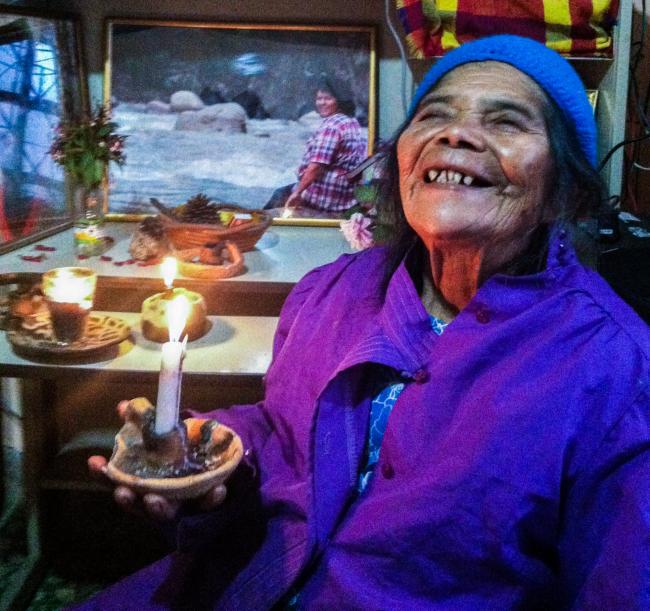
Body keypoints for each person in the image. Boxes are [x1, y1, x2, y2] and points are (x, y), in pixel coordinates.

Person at [81, 35, 650, 610]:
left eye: (506, 122)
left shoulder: (616, 369)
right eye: (434, 114)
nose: (454, 134)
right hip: (240, 582)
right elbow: (279, 433)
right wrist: (209, 457)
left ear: (564, 194)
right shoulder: (331, 290)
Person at [264, 78, 366, 214]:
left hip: (325, 195)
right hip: (344, 193)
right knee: (282, 192)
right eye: (319, 98)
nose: (321, 103)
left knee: (278, 197)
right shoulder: (352, 122)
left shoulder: (332, 126)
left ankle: (255, 232)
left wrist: (298, 192)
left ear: (339, 101)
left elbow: (317, 166)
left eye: (328, 99)